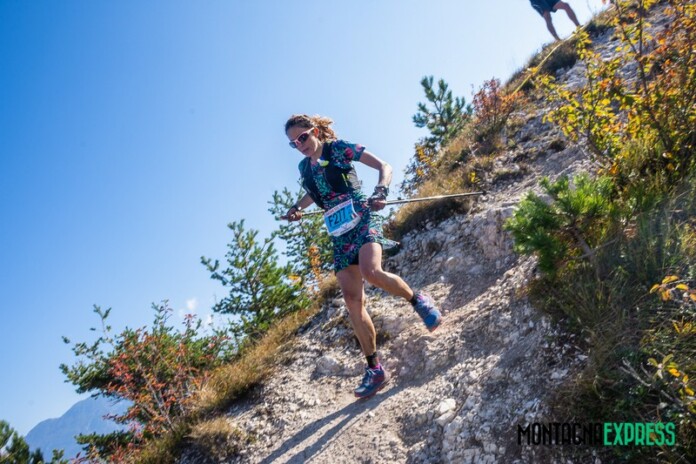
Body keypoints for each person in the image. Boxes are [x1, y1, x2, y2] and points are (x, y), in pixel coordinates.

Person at [282, 114, 443, 399]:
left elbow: (384, 166)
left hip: (363, 218)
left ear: (315, 131)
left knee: (371, 271)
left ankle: (418, 301)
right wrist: (297, 208)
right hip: (339, 233)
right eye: (293, 143)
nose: (300, 145)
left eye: (302, 137)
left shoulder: (339, 149)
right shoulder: (304, 167)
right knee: (352, 300)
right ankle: (374, 369)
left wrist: (381, 190)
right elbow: (314, 193)